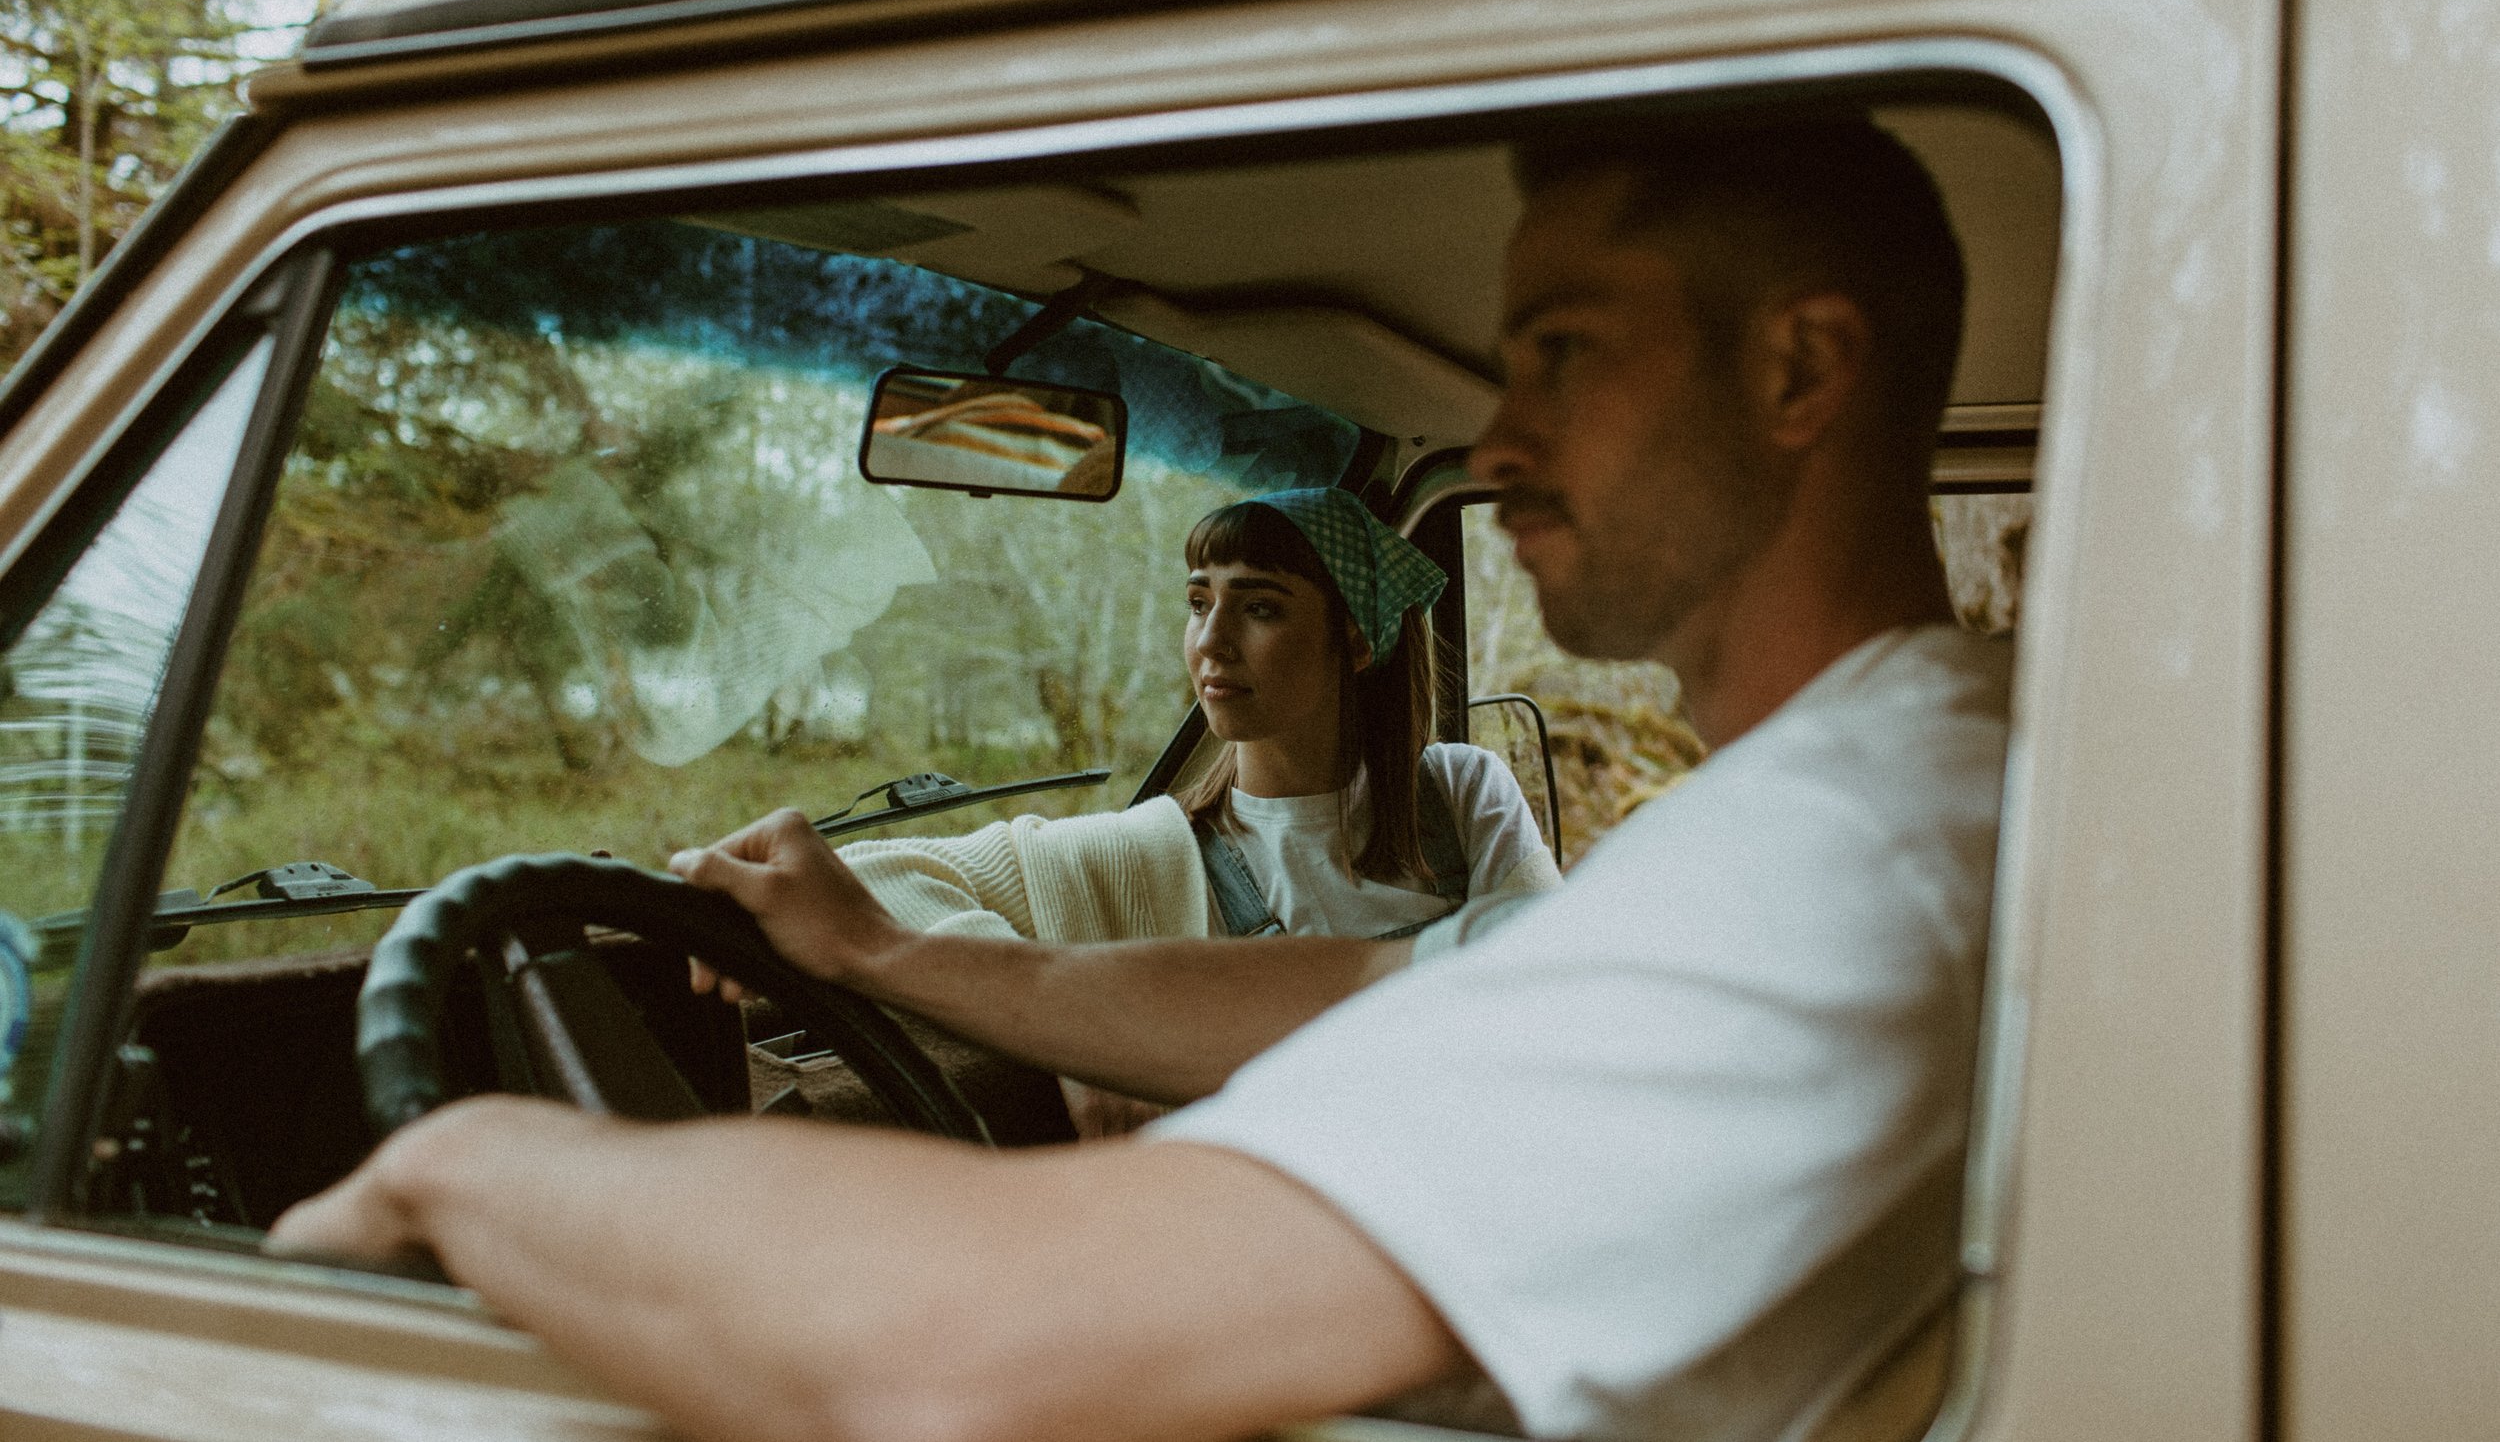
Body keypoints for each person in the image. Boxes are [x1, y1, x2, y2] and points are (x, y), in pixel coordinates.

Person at [272, 115, 2010, 1442]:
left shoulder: (1835, 860)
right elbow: (1359, 989)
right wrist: (888, 956)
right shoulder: (1904, 781)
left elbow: (963, 1349)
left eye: (1563, 351)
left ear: (1798, 372)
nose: (1495, 442)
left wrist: (466, 1164)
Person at [838, 486, 1560, 953]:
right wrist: (1062, 1016)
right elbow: (866, 874)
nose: (1210, 640)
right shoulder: (1155, 856)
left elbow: (1553, 995)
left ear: (1358, 639)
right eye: (1197, 602)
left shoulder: (1458, 794)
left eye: (1259, 606)